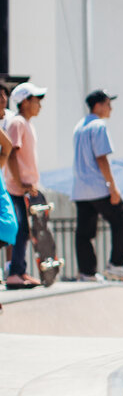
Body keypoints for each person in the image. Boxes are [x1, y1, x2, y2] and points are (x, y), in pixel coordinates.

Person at [72, 89, 123, 280]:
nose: (111, 109)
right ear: (98, 105)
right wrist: (112, 186)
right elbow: (101, 158)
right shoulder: (99, 126)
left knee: (84, 232)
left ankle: (87, 272)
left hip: (80, 189)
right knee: (121, 218)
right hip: (98, 187)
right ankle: (117, 264)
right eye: (108, 104)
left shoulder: (79, 127)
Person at [4, 82, 47, 288]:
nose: (39, 105)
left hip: (27, 187)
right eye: (36, 100)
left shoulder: (27, 124)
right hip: (16, 187)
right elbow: (11, 153)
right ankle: (15, 273)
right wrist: (20, 181)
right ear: (25, 102)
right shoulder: (17, 123)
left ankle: (20, 270)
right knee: (19, 229)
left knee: (26, 231)